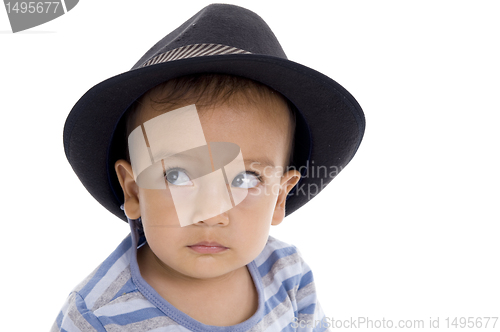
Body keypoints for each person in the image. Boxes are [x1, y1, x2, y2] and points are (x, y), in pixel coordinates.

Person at [53, 4, 365, 331]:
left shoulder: (289, 277)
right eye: (177, 176)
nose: (211, 212)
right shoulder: (98, 314)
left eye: (246, 178)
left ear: (279, 197)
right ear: (133, 189)